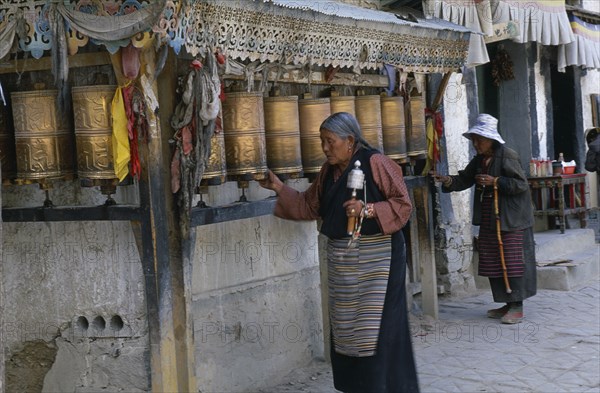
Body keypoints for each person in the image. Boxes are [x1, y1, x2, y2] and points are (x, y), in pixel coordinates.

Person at [258, 112, 419, 393]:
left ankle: (386, 387)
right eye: (322, 141)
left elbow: (403, 205)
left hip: (379, 259)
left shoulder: (377, 163)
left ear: (350, 140)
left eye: (330, 141)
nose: (325, 148)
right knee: (346, 330)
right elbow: (309, 206)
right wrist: (278, 186)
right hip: (344, 264)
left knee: (378, 330)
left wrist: (367, 210)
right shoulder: (328, 172)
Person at [431, 114, 536, 324]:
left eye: (479, 139)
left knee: (512, 261)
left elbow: (521, 185)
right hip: (491, 217)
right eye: (474, 139)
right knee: (494, 260)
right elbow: (465, 178)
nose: (476, 144)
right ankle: (507, 302)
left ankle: (517, 306)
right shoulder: (479, 160)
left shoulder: (507, 156)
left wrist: (495, 181)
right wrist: (448, 180)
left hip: (511, 219)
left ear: (491, 139)